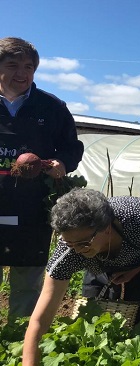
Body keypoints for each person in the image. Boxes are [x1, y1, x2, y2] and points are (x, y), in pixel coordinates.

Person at [22, 188, 140, 365]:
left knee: (138, 317)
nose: (76, 250)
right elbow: (40, 319)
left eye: (83, 243)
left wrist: (139, 268)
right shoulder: (69, 253)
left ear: (106, 228)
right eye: (69, 243)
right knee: (92, 318)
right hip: (100, 262)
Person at [0, 37, 84, 321]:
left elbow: (72, 148)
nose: (21, 73)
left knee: (27, 278)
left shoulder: (51, 107)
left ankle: (18, 340)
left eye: (28, 67)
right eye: (12, 65)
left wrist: (62, 162)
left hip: (32, 208)